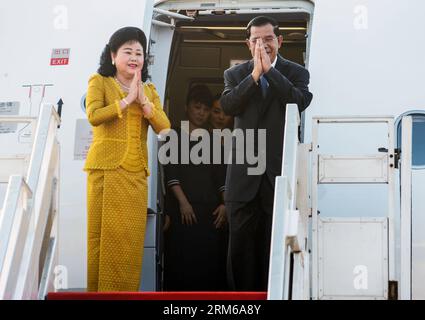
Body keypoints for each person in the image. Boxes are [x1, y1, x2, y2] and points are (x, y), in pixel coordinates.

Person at [220, 16, 313, 291]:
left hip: (279, 177)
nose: (263, 44)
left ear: (279, 41)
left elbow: (298, 101)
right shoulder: (235, 75)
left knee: (275, 252)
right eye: (256, 40)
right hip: (243, 179)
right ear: (248, 43)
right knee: (241, 253)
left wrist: (270, 72)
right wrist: (255, 76)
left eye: (268, 39)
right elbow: (228, 105)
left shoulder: (297, 73)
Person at [84, 26, 171, 292]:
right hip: (105, 170)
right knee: (102, 239)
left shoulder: (149, 89)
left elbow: (165, 128)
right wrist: (125, 101)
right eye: (128, 52)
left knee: (129, 242)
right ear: (112, 56)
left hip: (135, 174)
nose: (134, 58)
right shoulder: (99, 81)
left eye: (139, 53)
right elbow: (94, 115)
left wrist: (144, 103)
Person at [163, 85, 228, 291]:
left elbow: (221, 176)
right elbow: (170, 174)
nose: (201, 112)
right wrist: (183, 203)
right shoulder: (172, 133)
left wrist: (225, 204)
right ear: (186, 107)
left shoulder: (214, 139)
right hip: (182, 213)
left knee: (209, 267)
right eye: (197, 107)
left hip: (210, 213)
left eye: (205, 109)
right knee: (181, 266)